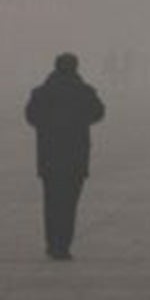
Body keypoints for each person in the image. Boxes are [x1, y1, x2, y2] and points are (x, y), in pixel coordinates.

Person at [24, 52, 107, 260]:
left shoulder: (42, 92)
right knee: (69, 203)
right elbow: (98, 112)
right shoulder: (83, 91)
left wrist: (47, 126)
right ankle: (63, 245)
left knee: (51, 201)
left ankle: (52, 243)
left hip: (49, 156)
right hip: (75, 156)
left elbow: (31, 116)